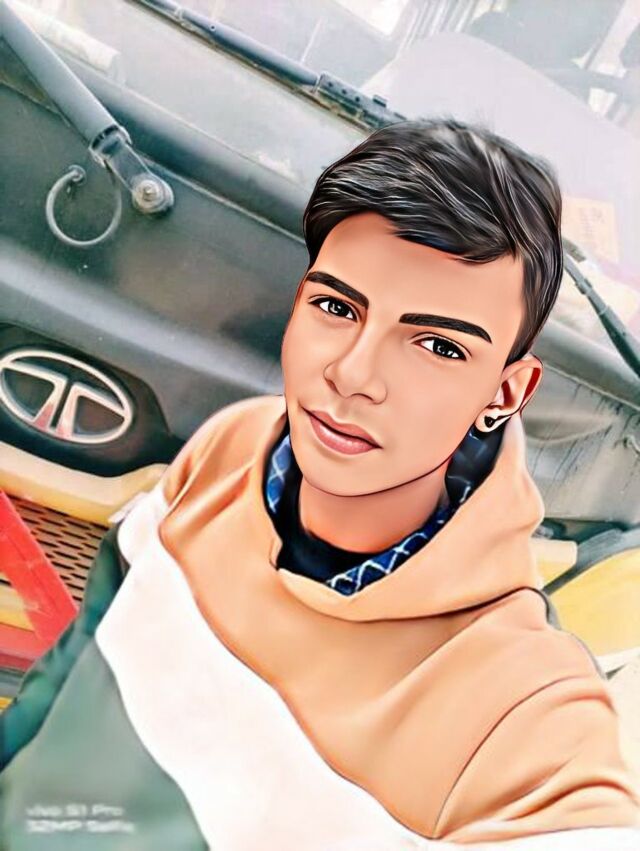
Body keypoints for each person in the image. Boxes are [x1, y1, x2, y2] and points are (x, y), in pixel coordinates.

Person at [1, 118, 639, 850]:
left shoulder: (520, 713)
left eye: (437, 345)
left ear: (505, 392)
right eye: (337, 307)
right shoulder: (236, 447)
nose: (353, 374)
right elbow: (79, 661)